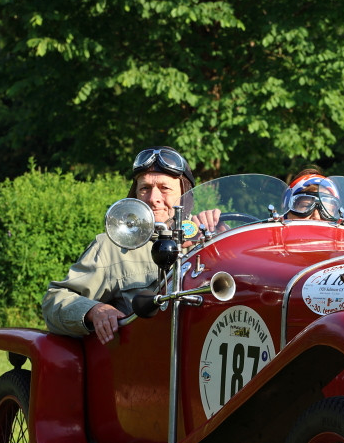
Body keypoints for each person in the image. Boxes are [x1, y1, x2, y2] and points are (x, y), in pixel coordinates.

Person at [42, 146, 218, 343]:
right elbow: (54, 301)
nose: (153, 199)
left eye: (165, 188)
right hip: (142, 360)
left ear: (185, 195)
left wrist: (220, 233)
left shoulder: (209, 239)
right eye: (145, 188)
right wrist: (94, 310)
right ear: (135, 195)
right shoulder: (112, 246)